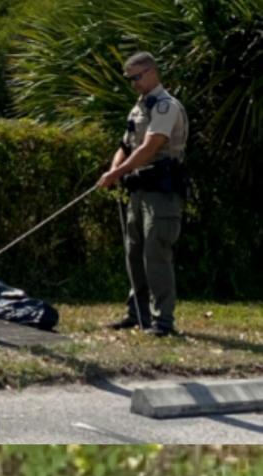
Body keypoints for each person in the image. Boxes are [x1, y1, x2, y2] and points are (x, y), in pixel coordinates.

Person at [96, 52, 188, 337]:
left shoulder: (165, 106)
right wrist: (113, 171)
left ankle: (163, 322)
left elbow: (150, 147)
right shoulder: (138, 108)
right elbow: (125, 144)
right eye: (130, 79)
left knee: (155, 253)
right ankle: (137, 313)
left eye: (137, 77)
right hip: (138, 189)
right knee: (133, 251)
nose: (134, 83)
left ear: (152, 72)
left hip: (162, 191)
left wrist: (117, 173)